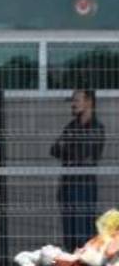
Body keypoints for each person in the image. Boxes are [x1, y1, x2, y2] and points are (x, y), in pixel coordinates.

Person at [52, 89, 105, 250]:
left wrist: (69, 150)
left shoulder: (96, 128)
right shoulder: (71, 126)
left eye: (77, 100)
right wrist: (72, 152)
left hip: (84, 185)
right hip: (68, 184)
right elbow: (54, 149)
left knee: (83, 234)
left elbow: (84, 155)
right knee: (69, 234)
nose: (73, 104)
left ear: (89, 102)